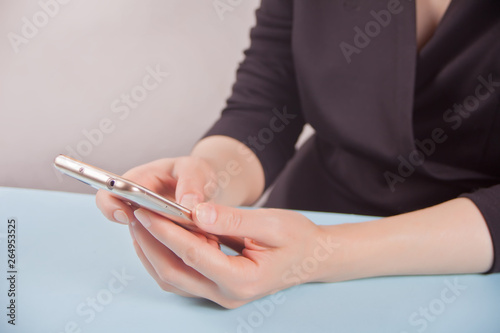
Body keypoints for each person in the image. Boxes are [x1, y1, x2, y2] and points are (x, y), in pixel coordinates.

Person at [96, 0, 500, 309]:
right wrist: (206, 178)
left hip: (471, 262)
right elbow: (267, 104)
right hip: (297, 234)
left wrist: (322, 254)